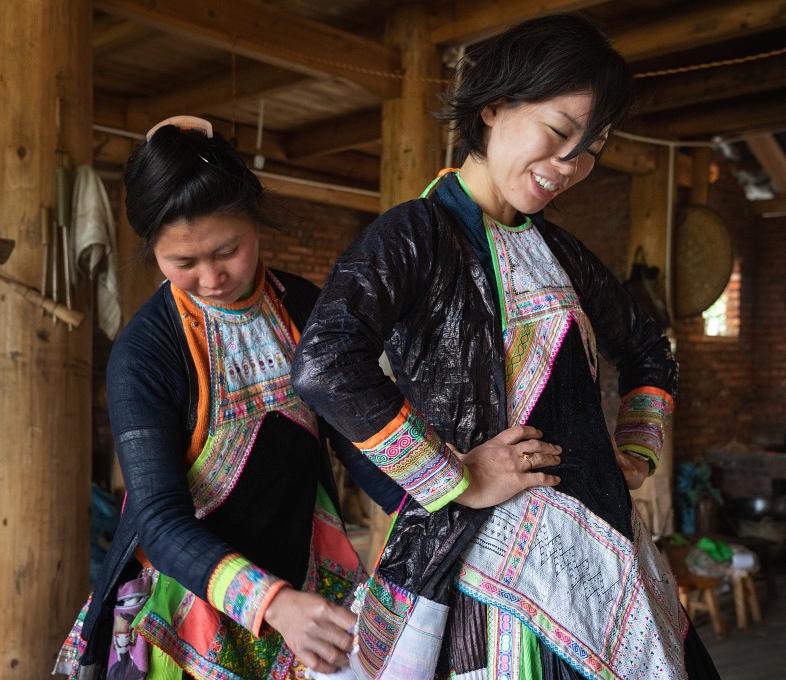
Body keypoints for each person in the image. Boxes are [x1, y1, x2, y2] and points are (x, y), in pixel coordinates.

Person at [292, 14, 720, 680]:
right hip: (484, 574)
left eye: (591, 148)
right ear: (492, 108)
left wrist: (635, 451)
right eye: (557, 133)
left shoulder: (562, 253)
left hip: (600, 557)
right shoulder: (417, 234)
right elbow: (326, 362)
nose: (570, 165)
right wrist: (451, 477)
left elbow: (648, 349)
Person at [54, 116, 405, 680]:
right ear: (153, 252)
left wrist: (431, 504)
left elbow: (357, 439)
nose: (212, 277)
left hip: (307, 563)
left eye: (228, 250)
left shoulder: (303, 307)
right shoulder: (145, 354)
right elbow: (161, 521)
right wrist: (272, 602)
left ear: (255, 222)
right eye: (183, 263)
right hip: (194, 594)